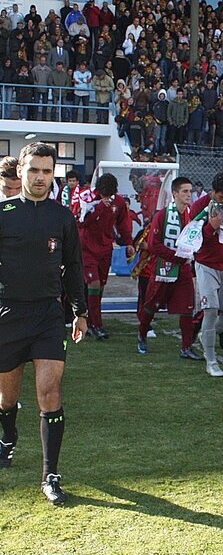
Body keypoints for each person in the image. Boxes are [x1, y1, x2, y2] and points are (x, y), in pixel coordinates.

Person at [0, 142, 88, 505]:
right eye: (34, 170)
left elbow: (74, 267)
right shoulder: (2, 212)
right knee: (7, 397)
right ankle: (7, 435)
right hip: (7, 315)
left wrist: (79, 310)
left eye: (47, 171)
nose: (40, 178)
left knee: (50, 392)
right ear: (20, 170)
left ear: (54, 174)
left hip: (49, 316)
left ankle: (50, 475)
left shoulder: (62, 216)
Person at [137, 177, 199, 359]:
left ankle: (186, 347)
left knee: (188, 308)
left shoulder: (191, 215)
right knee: (151, 306)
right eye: (185, 191)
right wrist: (177, 257)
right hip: (163, 270)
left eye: (190, 191)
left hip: (185, 270)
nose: (189, 195)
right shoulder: (163, 215)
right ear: (175, 193)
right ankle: (141, 335)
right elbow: (153, 244)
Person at [191, 172, 223, 374]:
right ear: (212, 191)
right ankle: (211, 361)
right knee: (211, 310)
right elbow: (193, 239)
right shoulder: (199, 206)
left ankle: (206, 336)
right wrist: (209, 229)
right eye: (221, 197)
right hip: (206, 264)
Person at [78, 173, 134, 338]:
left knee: (100, 287)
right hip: (86, 248)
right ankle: (96, 325)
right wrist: (100, 206)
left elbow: (123, 224)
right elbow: (82, 222)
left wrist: (128, 243)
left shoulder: (119, 202)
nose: (107, 198)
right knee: (93, 284)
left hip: (105, 249)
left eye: (110, 195)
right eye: (104, 195)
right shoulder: (88, 198)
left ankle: (88, 320)